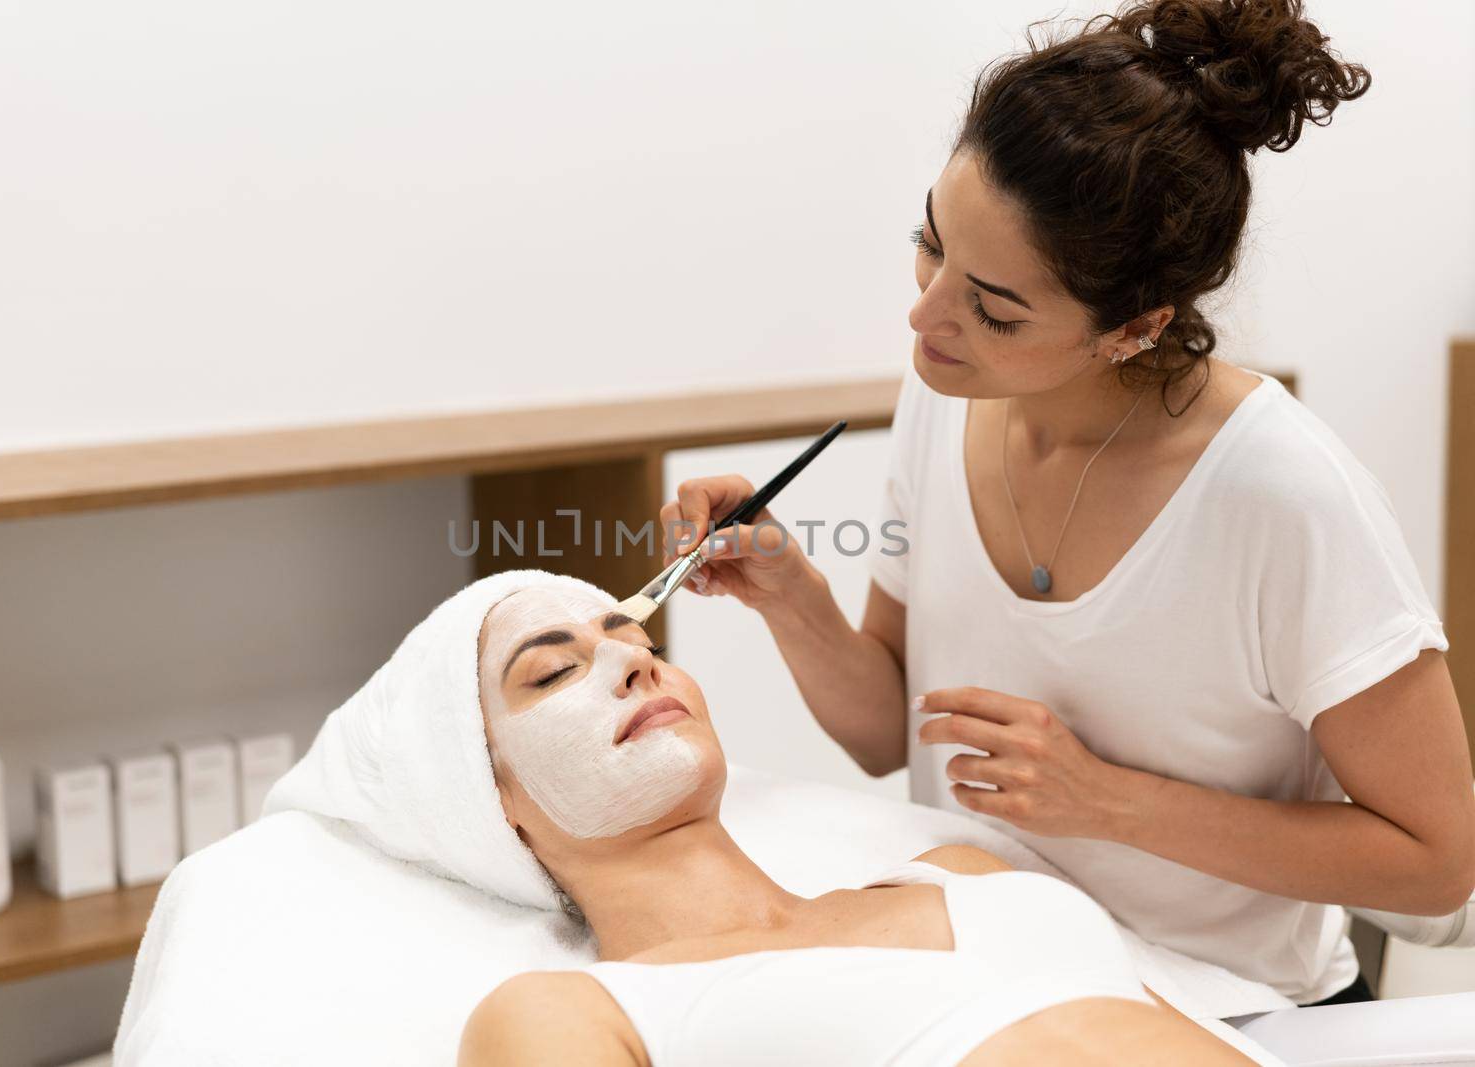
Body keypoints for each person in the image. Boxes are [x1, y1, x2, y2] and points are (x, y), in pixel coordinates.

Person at [660, 0, 1475, 1006]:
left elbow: (1437, 863)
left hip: (1235, 1015)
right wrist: (790, 594)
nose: (924, 318)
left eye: (992, 308)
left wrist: (1111, 802)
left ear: (1132, 329)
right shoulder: (948, 391)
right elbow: (886, 733)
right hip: (1008, 988)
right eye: (931, 243)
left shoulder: (1280, 495)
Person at [460, 578, 1255, 1065]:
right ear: (497, 802)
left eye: (639, 638)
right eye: (554, 670)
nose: (634, 661)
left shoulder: (960, 874)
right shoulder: (565, 1011)